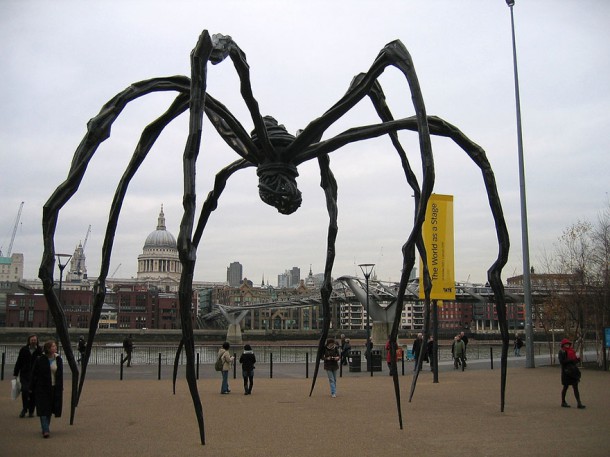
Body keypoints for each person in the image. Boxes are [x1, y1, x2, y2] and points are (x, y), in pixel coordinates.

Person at [29, 340, 63, 438]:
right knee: (43, 408)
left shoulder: (58, 359)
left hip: (54, 387)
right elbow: (34, 374)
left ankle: (45, 426)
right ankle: (46, 430)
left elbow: (59, 375)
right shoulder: (40, 359)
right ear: (48, 349)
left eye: (55, 346)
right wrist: (31, 387)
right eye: (53, 346)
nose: (55, 348)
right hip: (42, 388)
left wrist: (60, 386)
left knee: (50, 408)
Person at [13, 334, 43, 418]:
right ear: (29, 341)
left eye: (35, 340)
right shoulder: (24, 349)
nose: (33, 341)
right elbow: (19, 361)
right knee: (25, 391)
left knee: (33, 393)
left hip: (36, 375)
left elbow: (43, 363)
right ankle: (25, 408)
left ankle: (31, 411)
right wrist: (15, 373)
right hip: (25, 374)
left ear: (37, 341)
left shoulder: (40, 350)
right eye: (32, 340)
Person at [558, 338, 585, 409]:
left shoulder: (571, 351)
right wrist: (571, 360)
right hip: (566, 372)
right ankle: (563, 402)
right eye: (566, 344)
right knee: (565, 387)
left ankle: (579, 403)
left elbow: (574, 361)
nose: (567, 345)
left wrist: (577, 360)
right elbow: (562, 362)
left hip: (573, 371)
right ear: (563, 345)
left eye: (568, 344)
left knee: (575, 387)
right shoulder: (561, 352)